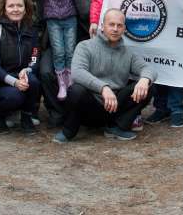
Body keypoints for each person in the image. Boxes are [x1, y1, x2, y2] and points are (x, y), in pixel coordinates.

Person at [53, 9, 156, 143]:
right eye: (111, 24)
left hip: (115, 106)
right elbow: (77, 72)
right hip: (91, 106)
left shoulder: (128, 53)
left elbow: (149, 69)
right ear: (102, 26)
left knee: (149, 86)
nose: (115, 29)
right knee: (76, 90)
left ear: (124, 28)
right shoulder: (85, 46)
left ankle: (117, 127)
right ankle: (69, 131)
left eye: (119, 25)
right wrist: (103, 88)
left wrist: (144, 80)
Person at [27, 0, 89, 101]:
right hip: (52, 18)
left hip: (69, 17)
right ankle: (61, 82)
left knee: (70, 50)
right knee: (58, 51)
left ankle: (70, 79)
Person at [0, 0, 40, 134]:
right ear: (4, 9)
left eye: (19, 6)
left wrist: (27, 70)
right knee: (15, 95)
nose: (15, 9)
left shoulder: (31, 30)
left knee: (33, 81)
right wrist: (14, 82)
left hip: (21, 76)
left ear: (25, 8)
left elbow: (34, 57)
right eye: (11, 6)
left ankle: (26, 117)